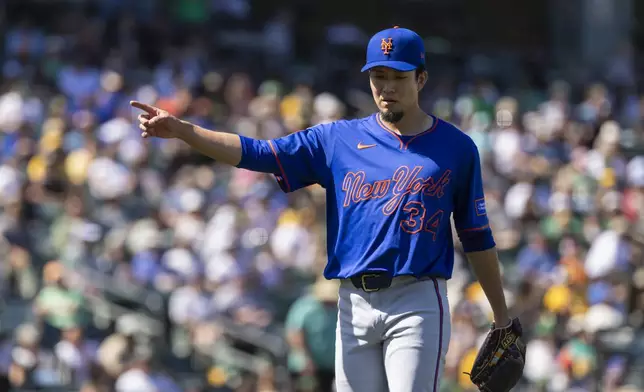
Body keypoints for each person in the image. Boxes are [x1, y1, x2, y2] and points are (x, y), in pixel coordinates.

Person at [132, 26, 513, 392]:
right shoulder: (337, 140)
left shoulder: (457, 147)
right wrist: (185, 131)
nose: (387, 87)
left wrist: (500, 315)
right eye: (378, 76)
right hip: (351, 302)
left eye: (398, 76)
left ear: (421, 79)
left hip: (416, 299)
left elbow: (476, 234)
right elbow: (259, 153)